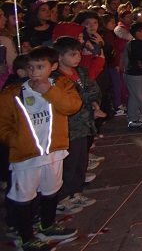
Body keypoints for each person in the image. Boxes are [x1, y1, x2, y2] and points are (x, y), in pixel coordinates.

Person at [0, 46, 81, 250]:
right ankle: (26, 237)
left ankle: (47, 225)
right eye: (30, 67)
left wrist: (48, 91)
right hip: (27, 155)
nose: (34, 72)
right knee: (24, 197)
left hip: (53, 150)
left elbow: (71, 106)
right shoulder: (13, 93)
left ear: (53, 66)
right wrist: (15, 141)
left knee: (50, 190)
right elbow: (3, 123)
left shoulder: (61, 85)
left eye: (40, 66)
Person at [51, 37, 103, 216]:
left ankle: (76, 192)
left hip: (85, 123)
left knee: (82, 160)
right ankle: (63, 198)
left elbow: (91, 89)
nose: (77, 58)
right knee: (69, 164)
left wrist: (95, 104)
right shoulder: (55, 78)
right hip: (69, 127)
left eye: (79, 53)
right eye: (72, 54)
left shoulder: (80, 72)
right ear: (59, 56)